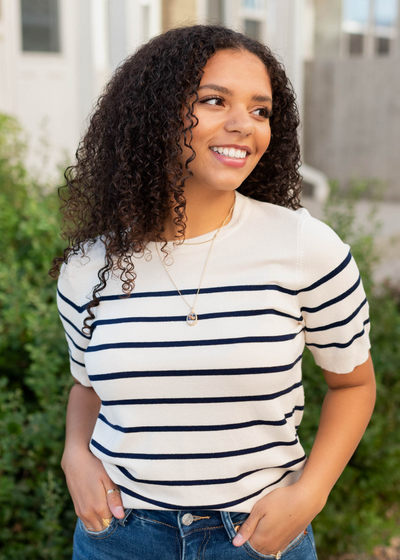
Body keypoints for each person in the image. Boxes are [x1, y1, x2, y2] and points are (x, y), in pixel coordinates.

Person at [52, 25, 375, 560]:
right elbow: (88, 387)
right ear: (154, 113)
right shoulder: (89, 269)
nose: (242, 125)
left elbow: (354, 385)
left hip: (256, 535)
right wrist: (74, 455)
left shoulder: (304, 247)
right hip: (120, 535)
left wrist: (310, 495)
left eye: (260, 110)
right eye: (213, 100)